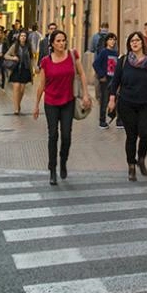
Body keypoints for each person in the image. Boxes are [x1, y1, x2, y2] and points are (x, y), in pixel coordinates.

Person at [31, 31, 92, 186]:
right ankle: (53, 169)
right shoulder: (46, 61)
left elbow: (82, 74)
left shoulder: (73, 55)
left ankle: (63, 161)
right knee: (53, 135)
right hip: (51, 102)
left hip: (68, 101)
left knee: (66, 135)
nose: (61, 43)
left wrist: (86, 94)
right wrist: (36, 105)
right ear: (52, 43)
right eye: (58, 41)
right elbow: (41, 85)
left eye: (63, 41)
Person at [109, 32, 147, 181]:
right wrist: (112, 98)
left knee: (146, 133)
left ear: (142, 43)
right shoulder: (124, 60)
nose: (134, 43)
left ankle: (141, 158)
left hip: (146, 103)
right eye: (132, 41)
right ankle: (131, 166)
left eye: (137, 40)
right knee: (131, 136)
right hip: (127, 103)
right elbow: (115, 81)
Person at [94, 35, 120, 129]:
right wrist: (101, 75)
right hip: (106, 79)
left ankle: (117, 119)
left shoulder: (116, 53)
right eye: (110, 39)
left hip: (114, 80)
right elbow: (96, 64)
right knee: (104, 100)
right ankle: (102, 120)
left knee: (116, 99)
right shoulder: (104, 52)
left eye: (114, 39)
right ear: (106, 41)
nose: (112, 41)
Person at [7, 30, 35, 115]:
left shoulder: (28, 47)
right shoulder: (15, 46)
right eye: (21, 36)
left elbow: (32, 59)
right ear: (19, 38)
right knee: (16, 87)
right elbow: (6, 55)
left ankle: (18, 104)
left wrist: (34, 68)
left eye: (24, 36)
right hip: (16, 69)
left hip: (25, 69)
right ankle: (16, 108)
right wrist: (13, 58)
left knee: (22, 89)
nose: (23, 37)